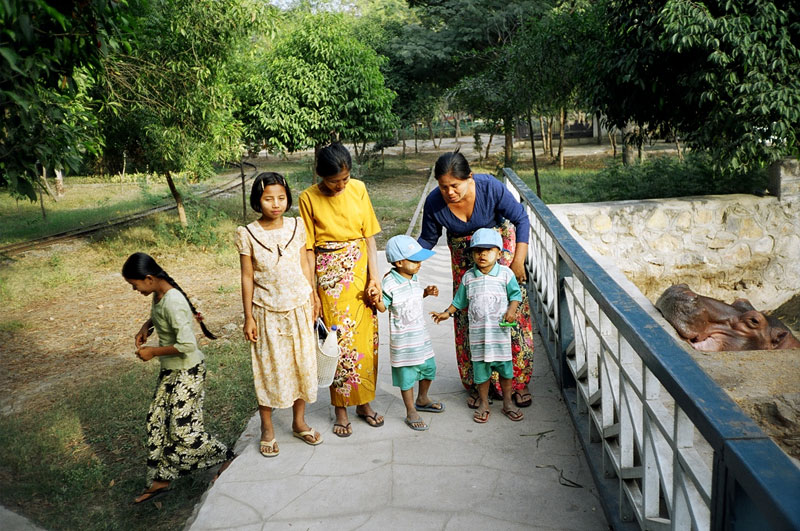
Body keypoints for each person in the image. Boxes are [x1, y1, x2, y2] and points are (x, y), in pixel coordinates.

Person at [418, 150, 536, 409]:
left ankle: (517, 381)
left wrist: (517, 260)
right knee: (470, 318)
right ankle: (477, 383)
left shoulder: (490, 187)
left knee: (508, 317)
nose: (449, 192)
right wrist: (403, 262)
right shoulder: (435, 202)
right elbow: (427, 239)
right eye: (443, 186)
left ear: (469, 178)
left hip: (499, 254)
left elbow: (521, 219)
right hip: (464, 260)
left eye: (455, 186)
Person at [122, 252, 234, 504]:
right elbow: (160, 314)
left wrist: (152, 352)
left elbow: (186, 344)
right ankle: (161, 480)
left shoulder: (173, 301)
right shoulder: (159, 294)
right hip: (172, 370)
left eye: (135, 285)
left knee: (183, 431)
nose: (134, 289)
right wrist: (146, 327)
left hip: (188, 371)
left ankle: (227, 457)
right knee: (157, 421)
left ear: (149, 279)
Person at [298, 142, 383, 437]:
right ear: (321, 175)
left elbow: (370, 239)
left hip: (360, 274)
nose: (340, 185)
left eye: (345, 179)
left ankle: (364, 404)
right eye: (334, 180)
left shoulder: (359, 189)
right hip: (330, 279)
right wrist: (313, 293)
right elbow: (308, 250)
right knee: (338, 344)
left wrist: (376, 279)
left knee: (365, 344)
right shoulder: (307, 198)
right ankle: (341, 409)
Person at [236, 172, 322, 458]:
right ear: (257, 201)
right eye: (268, 198)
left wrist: (313, 295)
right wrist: (248, 316)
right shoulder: (247, 233)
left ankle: (299, 422)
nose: (276, 204)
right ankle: (267, 428)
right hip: (265, 311)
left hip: (298, 307)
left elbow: (305, 264)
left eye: (281, 198)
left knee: (302, 365)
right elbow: (247, 276)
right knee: (268, 369)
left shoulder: (298, 226)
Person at [431, 228, 524, 423]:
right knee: (481, 374)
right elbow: (459, 302)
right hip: (478, 338)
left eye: (488, 250)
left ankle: (508, 403)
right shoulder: (468, 277)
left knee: (506, 372)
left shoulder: (505, 274)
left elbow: (516, 295)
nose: (482, 255)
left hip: (499, 337)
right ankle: (484, 403)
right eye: (477, 251)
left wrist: (512, 310)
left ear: (499, 253)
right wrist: (445, 313)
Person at [370, 235, 444, 431]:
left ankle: (423, 398)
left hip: (421, 337)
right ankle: (410, 409)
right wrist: (375, 298)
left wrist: (426, 292)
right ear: (399, 262)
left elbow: (413, 295)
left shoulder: (414, 277)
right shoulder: (389, 283)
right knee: (407, 376)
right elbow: (384, 307)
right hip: (403, 341)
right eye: (414, 260)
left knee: (429, 368)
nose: (419, 264)